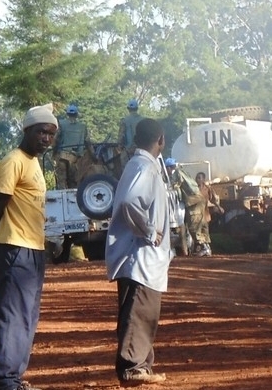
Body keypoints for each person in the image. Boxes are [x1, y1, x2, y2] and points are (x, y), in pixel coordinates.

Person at [0, 103, 58, 390]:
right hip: (15, 247)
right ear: (27, 130)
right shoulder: (13, 160)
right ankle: (5, 380)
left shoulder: (34, 163)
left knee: (28, 314)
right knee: (12, 313)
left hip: (32, 248)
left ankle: (15, 377)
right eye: (41, 132)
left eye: (51, 134)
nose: (46, 139)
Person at [105, 118, 172, 386]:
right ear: (161, 140)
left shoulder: (141, 166)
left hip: (142, 256)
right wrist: (148, 231)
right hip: (140, 255)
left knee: (143, 311)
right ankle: (133, 368)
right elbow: (131, 203)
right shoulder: (144, 167)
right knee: (139, 310)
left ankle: (141, 366)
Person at [53, 104, 94, 189]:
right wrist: (94, 156)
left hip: (62, 156)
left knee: (62, 180)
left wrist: (54, 152)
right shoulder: (83, 127)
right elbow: (88, 142)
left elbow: (55, 139)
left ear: (67, 114)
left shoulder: (61, 124)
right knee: (74, 180)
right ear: (76, 114)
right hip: (76, 158)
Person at [187, 171, 222, 257]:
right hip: (196, 215)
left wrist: (219, 207)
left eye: (199, 178)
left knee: (205, 232)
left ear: (203, 180)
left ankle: (206, 249)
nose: (197, 179)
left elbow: (213, 199)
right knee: (195, 232)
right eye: (197, 178)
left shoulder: (207, 188)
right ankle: (204, 248)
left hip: (205, 214)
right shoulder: (193, 188)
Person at [116, 99, 144, 177]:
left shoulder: (125, 120)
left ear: (128, 109)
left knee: (125, 171)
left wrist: (119, 147)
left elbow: (121, 135)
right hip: (142, 151)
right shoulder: (143, 120)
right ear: (137, 108)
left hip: (128, 150)